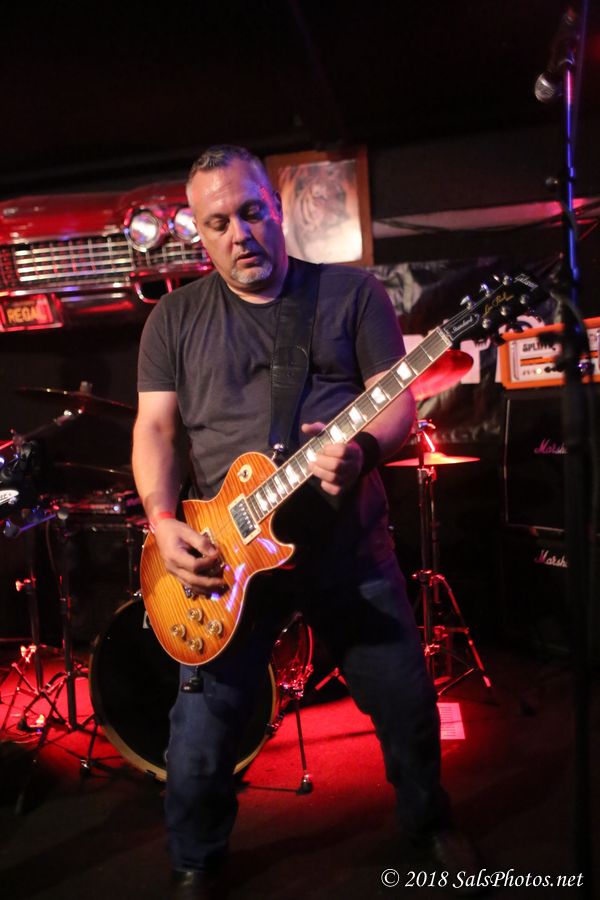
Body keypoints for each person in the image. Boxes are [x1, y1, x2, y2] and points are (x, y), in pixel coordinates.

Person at [132, 145, 479, 899]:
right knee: (201, 734)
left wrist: (361, 449)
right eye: (218, 222)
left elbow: (394, 400)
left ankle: (428, 824)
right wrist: (161, 519)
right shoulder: (173, 319)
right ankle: (194, 861)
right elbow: (155, 430)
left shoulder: (350, 294)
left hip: (345, 545)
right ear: (198, 231)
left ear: (277, 208)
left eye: (251, 212)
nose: (240, 234)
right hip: (228, 552)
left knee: (405, 702)